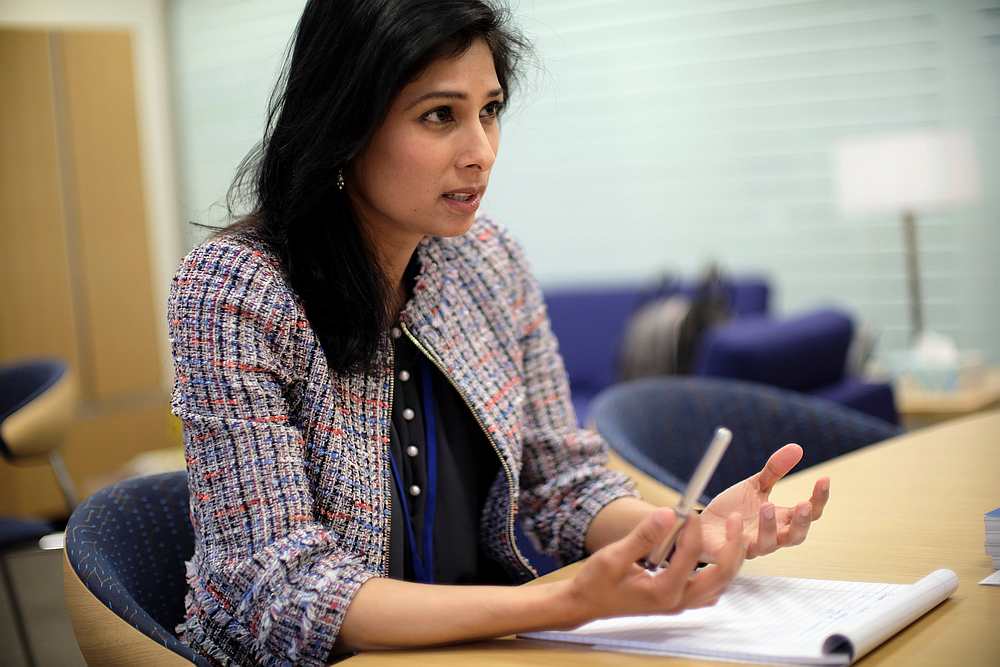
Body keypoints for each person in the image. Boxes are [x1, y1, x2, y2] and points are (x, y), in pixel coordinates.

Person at [168, 1, 831, 665]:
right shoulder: (236, 289)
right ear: (346, 121)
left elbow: (560, 482)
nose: (480, 151)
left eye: (490, 110)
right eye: (440, 116)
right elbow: (279, 588)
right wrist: (561, 604)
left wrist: (689, 532)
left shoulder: (488, 260)